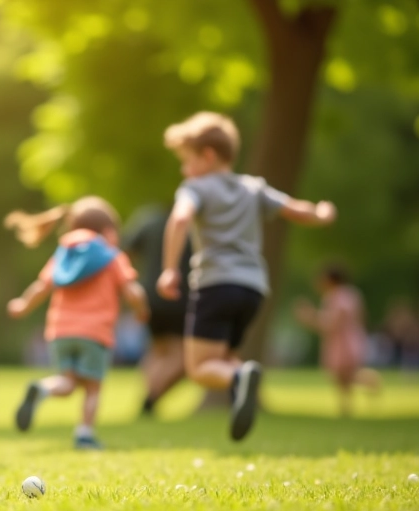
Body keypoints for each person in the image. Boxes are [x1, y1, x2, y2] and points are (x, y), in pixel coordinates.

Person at [157, 111, 336, 441]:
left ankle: (240, 378)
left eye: (187, 161)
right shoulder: (253, 188)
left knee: (199, 369)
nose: (185, 170)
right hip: (253, 290)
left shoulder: (195, 188)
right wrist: (321, 213)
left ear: (208, 156)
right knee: (223, 357)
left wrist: (169, 269)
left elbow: (180, 220)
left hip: (215, 285)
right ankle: (240, 381)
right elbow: (295, 209)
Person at [6, 197, 148, 450]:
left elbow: (42, 287)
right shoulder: (113, 256)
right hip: (94, 332)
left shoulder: (63, 254)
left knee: (67, 382)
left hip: (60, 331)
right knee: (92, 387)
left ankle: (42, 389)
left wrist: (22, 305)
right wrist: (141, 310)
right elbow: (132, 291)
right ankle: (84, 433)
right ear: (108, 231)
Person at [121, 205, 192, 417]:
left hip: (150, 295)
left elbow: (125, 252)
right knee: (185, 356)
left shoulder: (148, 219)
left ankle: (149, 400)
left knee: (158, 350)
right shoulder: (193, 224)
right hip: (182, 296)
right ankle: (151, 399)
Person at [295, 265, 381, 415]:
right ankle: (346, 407)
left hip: (343, 342)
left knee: (344, 374)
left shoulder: (337, 296)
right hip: (348, 338)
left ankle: (369, 381)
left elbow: (332, 322)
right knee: (341, 376)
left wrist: (310, 317)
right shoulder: (351, 294)